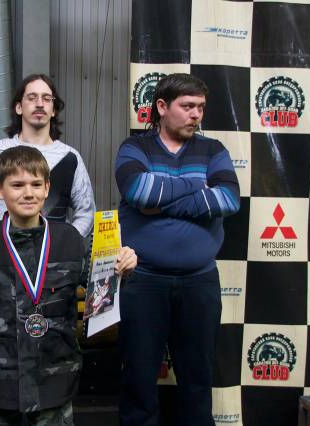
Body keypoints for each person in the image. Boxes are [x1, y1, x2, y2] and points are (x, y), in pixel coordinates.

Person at [0, 145, 137, 425]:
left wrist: (123, 268)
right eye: (17, 185)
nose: (28, 193)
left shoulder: (69, 241)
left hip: (54, 380)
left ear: (47, 187)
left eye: (36, 184)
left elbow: (101, 292)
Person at [114, 73, 240, 425]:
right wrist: (197, 187)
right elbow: (138, 191)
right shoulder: (134, 148)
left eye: (200, 107)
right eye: (187, 106)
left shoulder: (213, 150)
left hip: (199, 283)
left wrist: (160, 199)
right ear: (162, 106)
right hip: (143, 281)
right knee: (138, 378)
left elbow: (229, 199)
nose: (196, 114)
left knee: (198, 380)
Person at [0, 74, 95, 237]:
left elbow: (86, 212)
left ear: (53, 110)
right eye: (32, 98)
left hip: (55, 251)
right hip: (5, 249)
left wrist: (66, 243)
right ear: (19, 107)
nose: (40, 104)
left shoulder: (70, 156)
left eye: (47, 98)